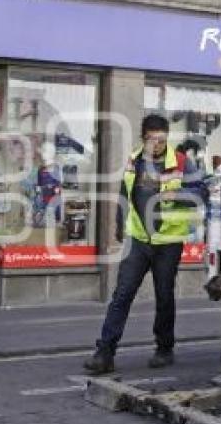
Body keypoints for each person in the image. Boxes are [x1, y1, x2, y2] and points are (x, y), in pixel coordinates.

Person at [84, 114, 206, 375]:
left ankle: (164, 348)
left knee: (164, 296)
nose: (157, 145)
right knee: (122, 294)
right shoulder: (134, 160)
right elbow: (123, 194)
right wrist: (118, 226)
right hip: (138, 240)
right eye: (152, 139)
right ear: (144, 138)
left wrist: (177, 194)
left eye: (162, 140)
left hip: (168, 242)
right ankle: (104, 352)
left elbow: (201, 194)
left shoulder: (183, 162)